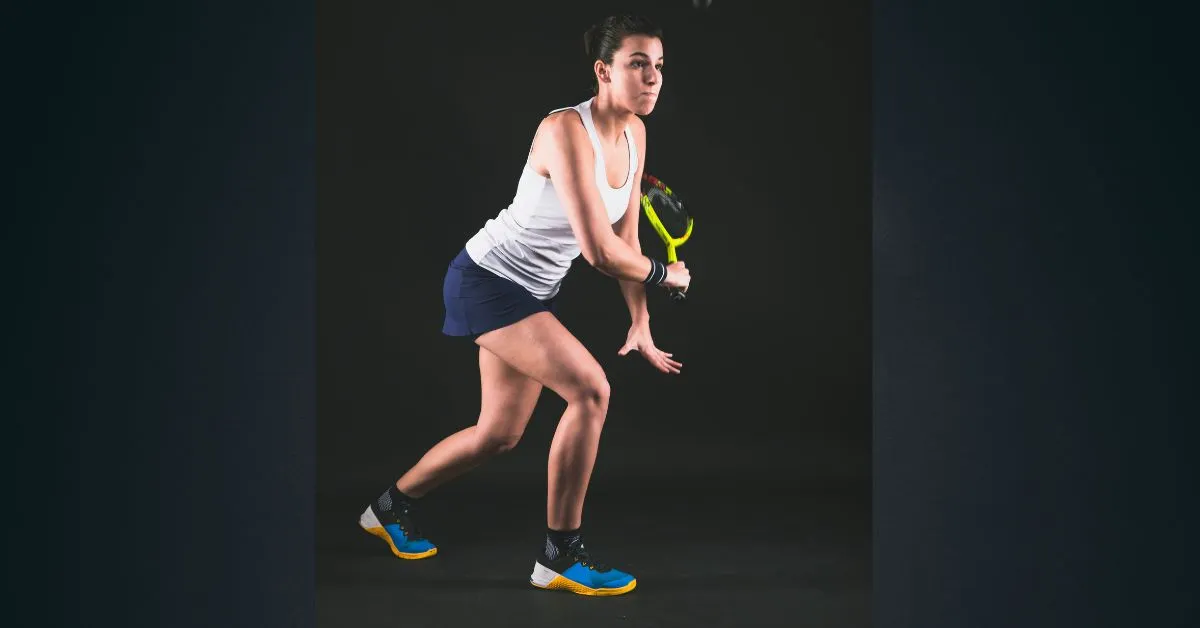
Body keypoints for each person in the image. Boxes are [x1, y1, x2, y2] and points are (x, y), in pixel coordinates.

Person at [357, 14, 689, 597]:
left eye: (658, 65)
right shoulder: (564, 131)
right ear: (603, 70)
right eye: (638, 63)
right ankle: (559, 555)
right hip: (485, 280)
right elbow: (598, 252)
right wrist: (667, 275)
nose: (653, 77)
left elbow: (626, 240)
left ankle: (386, 510)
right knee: (590, 391)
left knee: (498, 435)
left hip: (530, 293)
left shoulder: (635, 133)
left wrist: (641, 322)